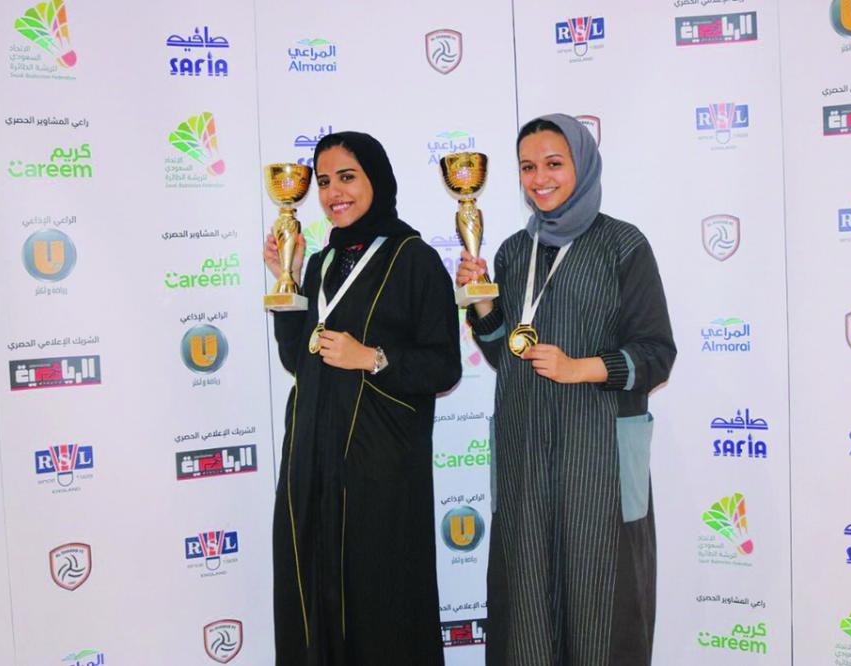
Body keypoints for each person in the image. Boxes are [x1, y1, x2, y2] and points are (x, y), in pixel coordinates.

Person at [457, 114, 676, 665]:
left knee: (601, 610)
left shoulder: (622, 245)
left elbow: (657, 354)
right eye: (527, 167)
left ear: (582, 165)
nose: (540, 179)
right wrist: (482, 305)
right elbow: (506, 353)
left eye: (554, 164)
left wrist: (583, 367)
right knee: (527, 612)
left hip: (597, 462)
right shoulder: (513, 252)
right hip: (526, 458)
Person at [266, 131, 461, 665]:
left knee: (380, 605)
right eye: (324, 181)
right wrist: (288, 283)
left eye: (347, 177)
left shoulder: (414, 259)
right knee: (312, 597)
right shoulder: (320, 263)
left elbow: (443, 365)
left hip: (380, 472)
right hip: (312, 461)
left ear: (377, 180)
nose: (334, 192)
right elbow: (298, 359)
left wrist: (371, 357)